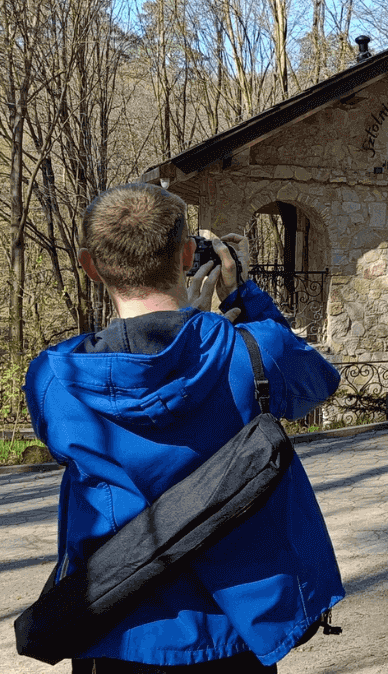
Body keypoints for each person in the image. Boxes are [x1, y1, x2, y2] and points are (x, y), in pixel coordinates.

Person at [23, 184, 345, 672]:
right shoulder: (253, 352)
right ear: (187, 254)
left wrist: (189, 321)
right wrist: (238, 295)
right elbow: (319, 382)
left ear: (90, 266)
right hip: (236, 631)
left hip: (116, 627)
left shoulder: (54, 378)